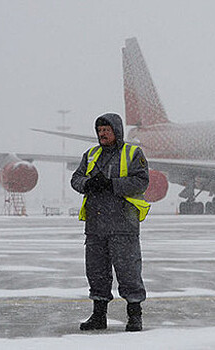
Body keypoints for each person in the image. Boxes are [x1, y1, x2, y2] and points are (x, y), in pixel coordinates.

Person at [71, 113, 149, 332]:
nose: (102, 134)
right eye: (99, 130)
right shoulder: (91, 154)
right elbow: (75, 179)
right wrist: (88, 184)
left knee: (128, 271)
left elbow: (142, 181)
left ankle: (134, 316)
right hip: (95, 226)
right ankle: (99, 316)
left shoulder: (133, 153)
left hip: (123, 224)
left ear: (117, 131)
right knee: (96, 272)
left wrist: (112, 184)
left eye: (106, 130)